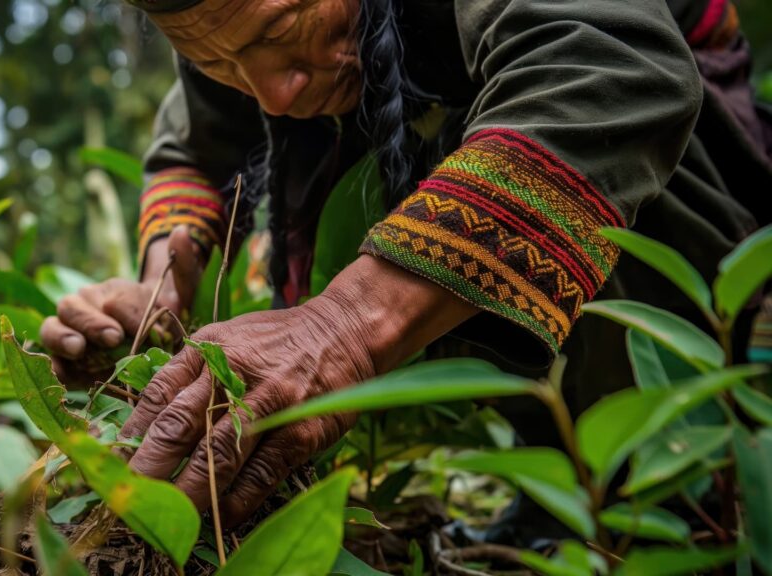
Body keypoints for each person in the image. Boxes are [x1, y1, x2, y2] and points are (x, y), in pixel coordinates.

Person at [41, 0, 772, 533]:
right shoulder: (234, 23)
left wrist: (347, 325)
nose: (272, 92)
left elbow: (614, 63)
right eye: (222, 63)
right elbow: (196, 152)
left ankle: (676, 479)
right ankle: (564, 474)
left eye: (282, 34)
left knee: (584, 139)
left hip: (699, 185)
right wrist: (158, 290)